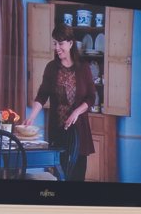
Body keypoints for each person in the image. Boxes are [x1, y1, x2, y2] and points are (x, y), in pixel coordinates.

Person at [28, 22, 97, 181]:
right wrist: (31, 117)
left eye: (60, 43)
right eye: (55, 43)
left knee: (77, 178)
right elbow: (42, 95)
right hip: (57, 132)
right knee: (59, 176)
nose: (57, 48)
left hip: (79, 134)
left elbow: (91, 97)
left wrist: (76, 112)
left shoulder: (83, 68)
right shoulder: (51, 68)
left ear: (71, 43)